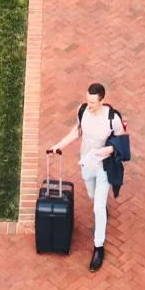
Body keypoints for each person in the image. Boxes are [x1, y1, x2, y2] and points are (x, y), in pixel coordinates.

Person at [49, 83, 125, 271]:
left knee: (97, 207)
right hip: (87, 163)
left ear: (102, 101)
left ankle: (98, 247)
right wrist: (59, 145)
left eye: (93, 103)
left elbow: (122, 142)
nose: (89, 105)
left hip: (104, 167)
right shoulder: (82, 110)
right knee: (92, 197)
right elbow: (78, 130)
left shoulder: (112, 118)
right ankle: (102, 208)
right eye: (87, 101)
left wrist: (109, 149)